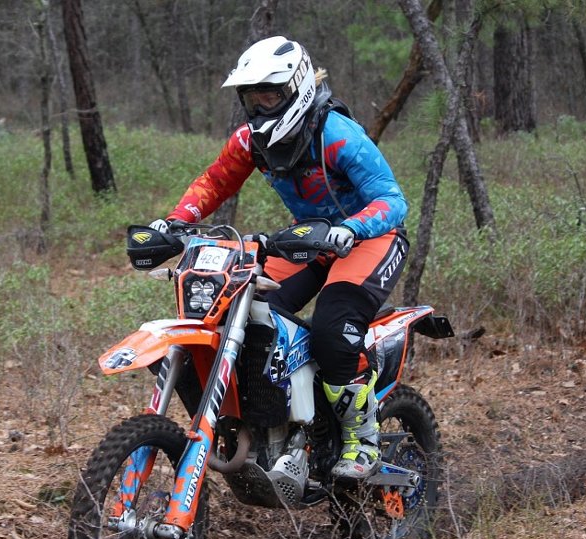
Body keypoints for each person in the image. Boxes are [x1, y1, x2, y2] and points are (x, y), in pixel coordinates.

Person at [151, 36, 409, 479]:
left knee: (332, 326)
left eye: (270, 93)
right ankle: (272, 415)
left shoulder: (337, 135)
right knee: (236, 306)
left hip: (372, 237)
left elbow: (392, 201)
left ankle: (360, 440)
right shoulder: (251, 141)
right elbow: (213, 183)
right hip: (309, 241)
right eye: (253, 96)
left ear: (297, 88)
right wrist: (174, 223)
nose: (261, 104)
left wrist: (350, 228)